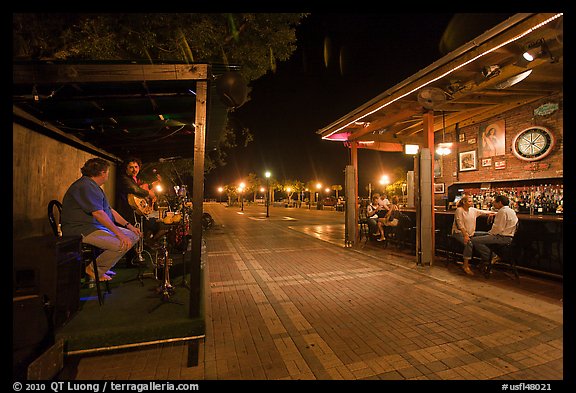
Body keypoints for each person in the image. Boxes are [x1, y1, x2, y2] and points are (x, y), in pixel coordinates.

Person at [61, 158, 141, 281]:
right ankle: (93, 269)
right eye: (108, 172)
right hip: (81, 230)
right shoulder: (85, 186)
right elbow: (99, 214)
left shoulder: (94, 186)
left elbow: (109, 210)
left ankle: (103, 266)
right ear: (103, 172)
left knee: (133, 236)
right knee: (121, 243)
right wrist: (119, 234)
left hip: (94, 227)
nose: (108, 175)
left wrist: (129, 226)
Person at [116, 157, 160, 265]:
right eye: (131, 167)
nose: (134, 170)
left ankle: (136, 254)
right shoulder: (124, 178)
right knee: (130, 234)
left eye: (136, 167)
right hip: (126, 211)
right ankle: (131, 259)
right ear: (126, 169)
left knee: (138, 231)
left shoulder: (135, 179)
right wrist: (147, 193)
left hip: (133, 211)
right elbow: (134, 190)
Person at [451, 194, 495, 275]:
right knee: (469, 243)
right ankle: (465, 265)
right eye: (469, 201)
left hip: (471, 233)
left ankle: (490, 258)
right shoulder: (459, 210)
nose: (472, 202)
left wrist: (495, 213)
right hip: (459, 233)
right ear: (464, 202)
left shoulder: (473, 210)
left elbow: (484, 212)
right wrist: (465, 235)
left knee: (487, 235)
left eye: (472, 201)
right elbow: (460, 225)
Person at [471, 194, 518, 265]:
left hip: (502, 237)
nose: (493, 204)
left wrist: (489, 234)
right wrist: (495, 214)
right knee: (473, 234)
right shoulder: (511, 211)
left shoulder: (502, 212)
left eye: (495, 202)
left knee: (474, 240)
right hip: (507, 236)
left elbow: (498, 229)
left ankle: (492, 257)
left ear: (500, 203)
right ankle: (484, 261)